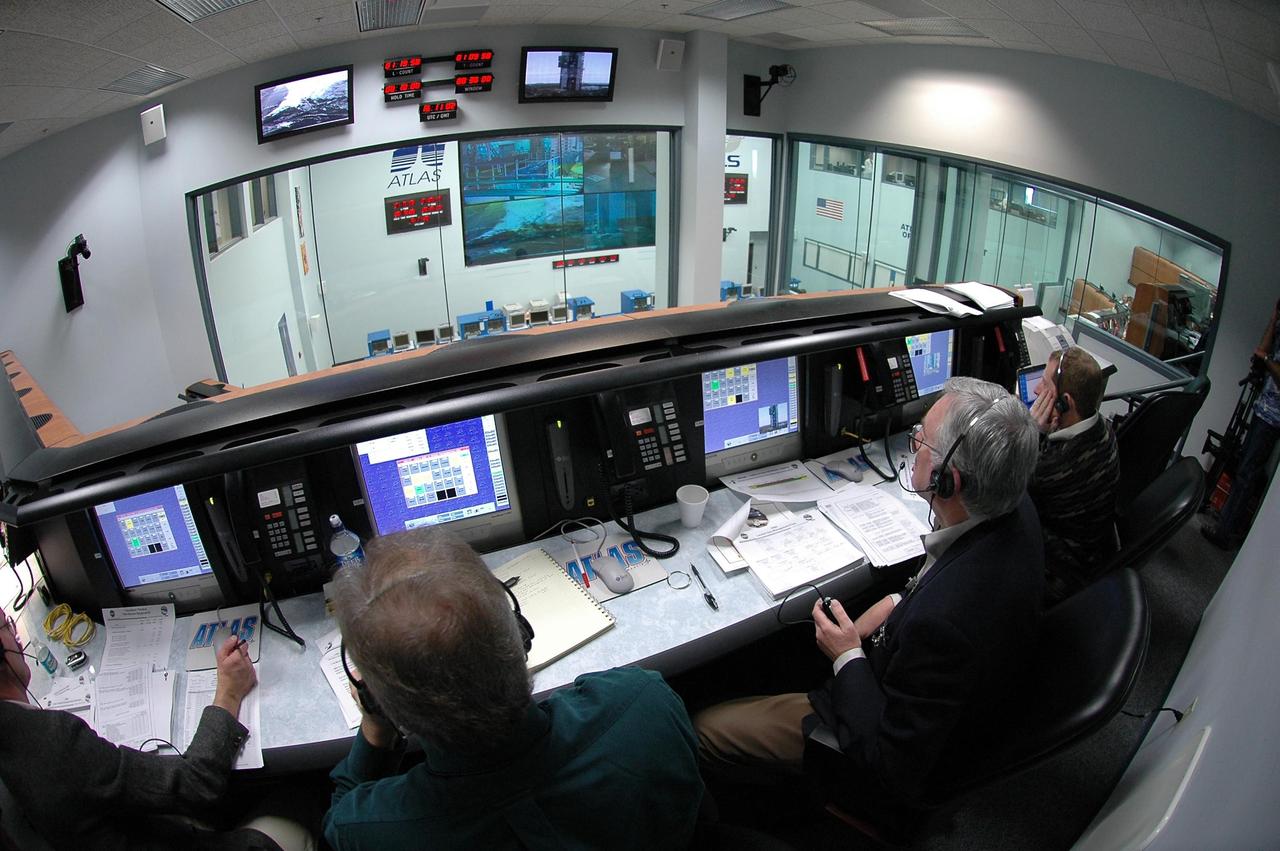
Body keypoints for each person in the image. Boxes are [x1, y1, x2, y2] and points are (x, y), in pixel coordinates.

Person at [695, 377, 1044, 831]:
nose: (913, 444)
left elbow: (888, 762)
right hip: (928, 685)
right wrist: (899, 600)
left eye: (919, 439)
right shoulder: (1016, 509)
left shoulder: (947, 623)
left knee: (704, 727)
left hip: (871, 734)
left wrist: (846, 656)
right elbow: (947, 582)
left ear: (947, 479)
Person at [323, 526, 704, 850]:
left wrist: (375, 729)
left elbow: (340, 815)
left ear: (381, 702)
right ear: (520, 637)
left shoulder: (371, 831)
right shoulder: (643, 702)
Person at [0, 608, 281, 850]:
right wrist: (229, 693)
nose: (17, 636)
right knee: (295, 796)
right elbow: (197, 784)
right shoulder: (51, 741)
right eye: (6, 625)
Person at [1027, 347, 1121, 599]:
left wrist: (1033, 431)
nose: (1036, 391)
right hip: (1091, 547)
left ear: (1064, 403)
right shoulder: (1104, 428)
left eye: (1044, 384)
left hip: (1061, 571)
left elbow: (1010, 485)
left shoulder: (1054, 465)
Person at [1203, 297, 1280, 549]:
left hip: (1273, 417)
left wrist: (1267, 361)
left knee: (1247, 474)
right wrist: (1273, 319)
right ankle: (1225, 521)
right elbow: (1260, 351)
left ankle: (1225, 531)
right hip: (1262, 409)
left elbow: (1266, 360)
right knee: (1243, 467)